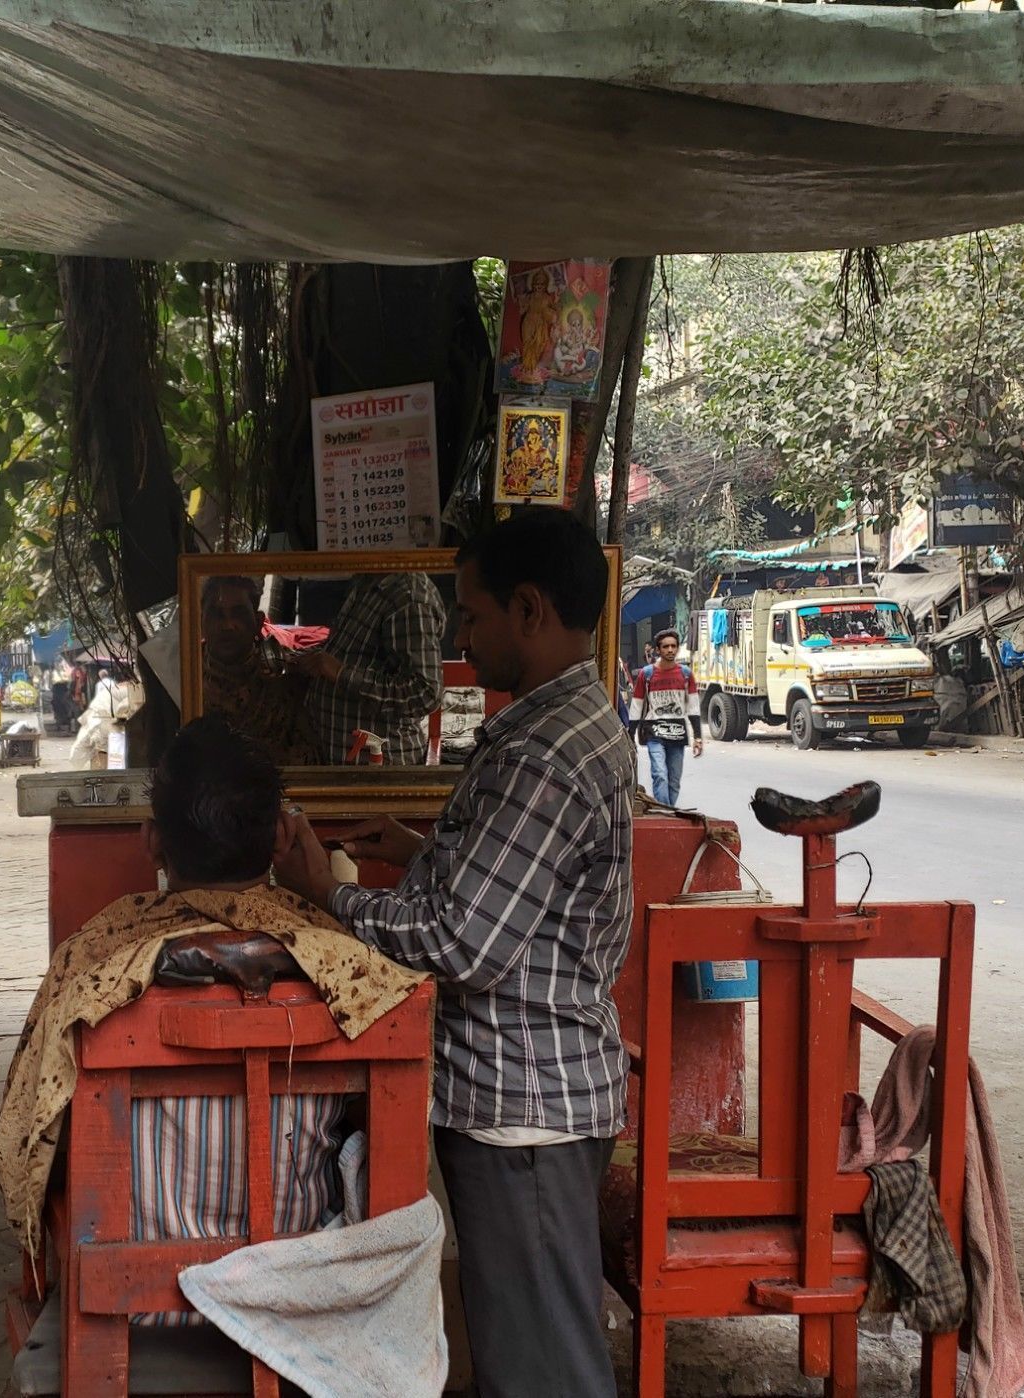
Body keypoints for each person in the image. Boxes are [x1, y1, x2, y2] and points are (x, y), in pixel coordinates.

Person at [276, 506, 634, 1398]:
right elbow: (511, 889)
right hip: (532, 1090)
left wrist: (330, 892)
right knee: (520, 1344)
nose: (460, 636)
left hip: (527, 1104)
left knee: (543, 1366)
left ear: (528, 610)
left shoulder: (543, 754)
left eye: (470, 615)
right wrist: (417, 844)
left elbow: (462, 941)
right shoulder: (559, 724)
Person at [0, 719, 424, 1297]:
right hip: (302, 1293)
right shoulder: (358, 973)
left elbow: (33, 1137)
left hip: (135, 1298)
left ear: (151, 839)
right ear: (280, 836)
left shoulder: (92, 968)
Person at [289, 571, 446, 764]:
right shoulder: (366, 581)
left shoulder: (409, 597)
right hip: (340, 764)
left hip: (378, 774)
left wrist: (341, 673)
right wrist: (306, 660)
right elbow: (350, 652)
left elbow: (424, 693)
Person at [199, 575, 313, 764]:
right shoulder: (183, 676)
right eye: (216, 614)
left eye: (239, 614)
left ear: (258, 621)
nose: (227, 625)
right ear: (200, 620)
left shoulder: (286, 677)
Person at [628, 628, 703, 806]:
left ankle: (667, 811)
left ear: (677, 648)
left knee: (674, 780)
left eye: (673, 646)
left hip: (678, 732)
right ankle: (665, 813)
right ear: (658, 650)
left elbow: (693, 706)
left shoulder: (685, 674)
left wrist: (698, 737)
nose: (670, 650)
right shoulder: (646, 675)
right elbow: (637, 704)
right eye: (665, 646)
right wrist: (630, 734)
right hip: (654, 731)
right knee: (660, 774)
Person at [68, 663, 137, 770]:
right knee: (107, 747)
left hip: (101, 716)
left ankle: (103, 770)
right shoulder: (125, 687)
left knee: (100, 747)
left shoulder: (103, 686)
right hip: (106, 718)